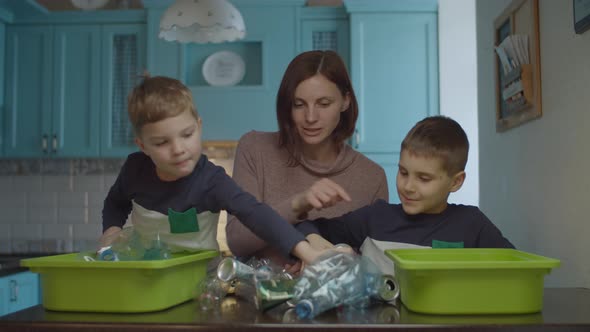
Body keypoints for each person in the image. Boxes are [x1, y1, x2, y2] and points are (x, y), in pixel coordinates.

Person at [99, 75, 328, 265]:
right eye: (161, 143)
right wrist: (111, 229)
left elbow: (257, 215)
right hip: (146, 272)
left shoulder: (212, 181)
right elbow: (115, 202)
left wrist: (306, 252)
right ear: (143, 145)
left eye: (187, 134)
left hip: (198, 280)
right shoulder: (134, 169)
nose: (178, 149)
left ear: (199, 126)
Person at [226, 50, 389, 268]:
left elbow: (374, 265)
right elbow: (237, 241)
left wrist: (326, 262)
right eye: (299, 104)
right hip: (259, 297)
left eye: (323, 103)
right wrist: (296, 205)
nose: (310, 117)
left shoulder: (372, 177)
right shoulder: (255, 149)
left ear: (345, 101)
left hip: (336, 300)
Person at [295, 115, 514, 256]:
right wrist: (315, 242)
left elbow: (514, 266)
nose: (408, 186)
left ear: (455, 182)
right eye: (403, 172)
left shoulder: (472, 225)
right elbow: (305, 226)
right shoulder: (374, 218)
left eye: (424, 178)